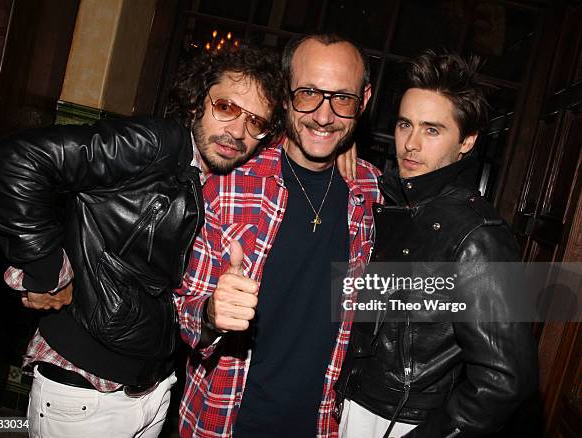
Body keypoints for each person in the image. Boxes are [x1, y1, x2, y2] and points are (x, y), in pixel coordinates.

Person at [0, 45, 284, 438]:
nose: (238, 131)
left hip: (152, 392)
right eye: (225, 106)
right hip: (85, 392)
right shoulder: (155, 144)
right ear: (196, 102)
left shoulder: (210, 177)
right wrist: (45, 272)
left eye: (256, 121)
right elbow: (14, 161)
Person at [176, 33, 381, 437]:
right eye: (308, 93)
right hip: (224, 423)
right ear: (284, 94)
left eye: (342, 98)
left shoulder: (371, 192)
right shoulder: (229, 181)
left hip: (324, 426)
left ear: (365, 100)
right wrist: (213, 316)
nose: (324, 116)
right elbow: (183, 312)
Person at [335, 50, 539, 438]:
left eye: (432, 130)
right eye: (404, 125)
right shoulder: (396, 202)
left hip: (405, 423)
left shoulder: (479, 234)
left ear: (467, 141)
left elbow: (506, 378)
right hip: (356, 405)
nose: (411, 144)